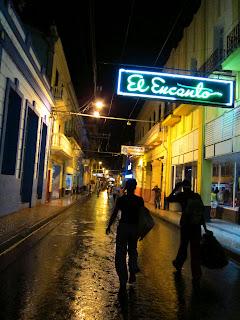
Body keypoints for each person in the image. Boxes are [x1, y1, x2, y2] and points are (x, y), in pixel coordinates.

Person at [166, 179, 208, 292]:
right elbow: (201, 212)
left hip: (186, 225)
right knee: (195, 250)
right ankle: (196, 274)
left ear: (183, 187)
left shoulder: (182, 196)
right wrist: (205, 228)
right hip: (197, 226)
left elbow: (168, 199)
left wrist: (176, 188)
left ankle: (179, 264)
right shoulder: (196, 196)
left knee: (183, 246)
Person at [106, 179, 144, 295]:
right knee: (133, 250)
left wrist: (109, 226)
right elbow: (142, 216)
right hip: (134, 228)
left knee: (121, 253)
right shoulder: (139, 200)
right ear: (135, 187)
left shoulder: (122, 200)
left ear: (126, 188)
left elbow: (115, 213)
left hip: (123, 227)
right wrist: (142, 231)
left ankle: (123, 280)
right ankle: (132, 270)